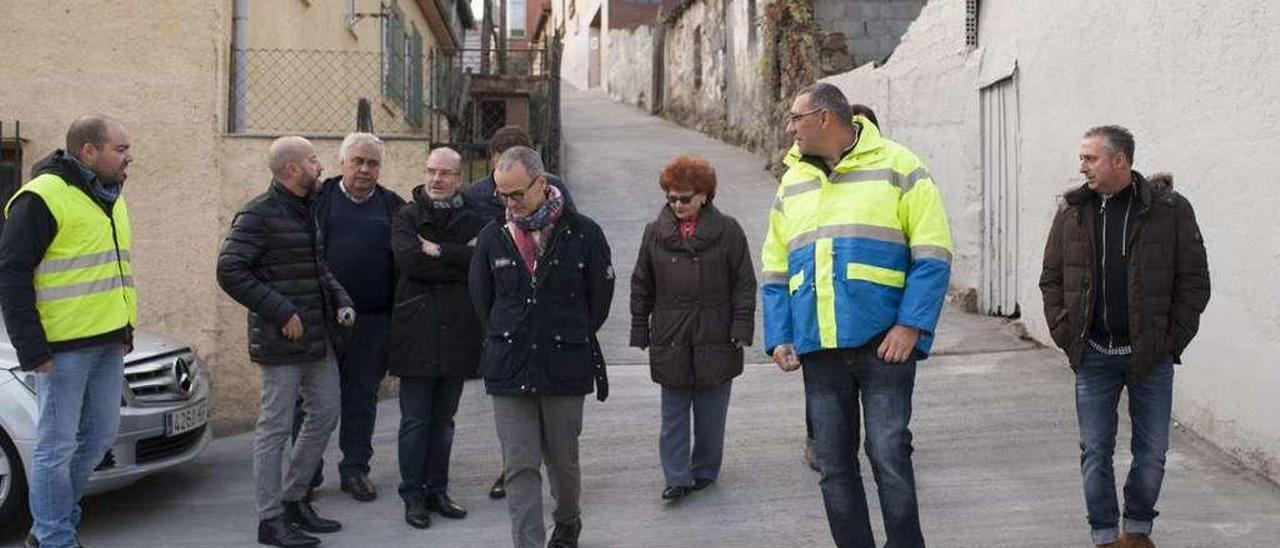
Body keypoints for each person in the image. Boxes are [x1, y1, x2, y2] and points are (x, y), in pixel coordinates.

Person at [761, 83, 952, 548]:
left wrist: (911, 325)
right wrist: (779, 334)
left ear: (824, 118)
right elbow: (775, 265)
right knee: (832, 464)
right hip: (818, 344)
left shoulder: (899, 165)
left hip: (884, 342)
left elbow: (933, 252)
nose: (789, 128)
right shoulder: (793, 181)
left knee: (888, 453)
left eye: (795, 118)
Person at [1039, 126, 1210, 548]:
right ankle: (1103, 536)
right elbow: (1052, 278)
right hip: (1093, 353)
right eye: (1081, 158)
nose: (1081, 167)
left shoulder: (1170, 210)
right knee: (1095, 451)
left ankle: (1136, 531)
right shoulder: (1072, 211)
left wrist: (1170, 342)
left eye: (1090, 158)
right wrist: (1065, 332)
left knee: (1152, 453)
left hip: (1149, 356)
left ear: (1120, 161)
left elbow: (1194, 282)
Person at [0, 116, 136, 548]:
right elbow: (12, 273)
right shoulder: (42, 198)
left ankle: (49, 525)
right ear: (89, 152)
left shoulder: (110, 197)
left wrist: (124, 326)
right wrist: (31, 347)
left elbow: (114, 272)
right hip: (60, 351)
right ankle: (56, 535)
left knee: (99, 439)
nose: (128, 156)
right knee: (55, 447)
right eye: (120, 149)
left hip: (108, 342)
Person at [469, 146, 614, 548]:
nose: (510, 203)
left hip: (564, 365)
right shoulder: (492, 237)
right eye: (502, 194)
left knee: (563, 462)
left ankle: (567, 523)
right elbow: (482, 300)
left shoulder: (584, 233)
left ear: (541, 183)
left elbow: (598, 301)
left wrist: (566, 333)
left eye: (516, 193)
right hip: (509, 366)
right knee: (519, 465)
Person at [217, 136, 356, 548]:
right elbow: (230, 270)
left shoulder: (305, 209)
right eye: (313, 160)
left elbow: (317, 268)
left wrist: (342, 300)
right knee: (274, 428)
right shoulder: (258, 214)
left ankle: (294, 498)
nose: (321, 166)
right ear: (292, 169)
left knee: (326, 413)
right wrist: (281, 311)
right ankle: (270, 518)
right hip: (282, 342)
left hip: (318, 338)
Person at [629, 155, 756, 501]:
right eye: (672, 198)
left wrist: (741, 326)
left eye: (686, 198)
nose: (678, 204)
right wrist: (640, 328)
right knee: (672, 414)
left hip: (716, 333)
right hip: (670, 335)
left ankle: (704, 470)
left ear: (704, 195)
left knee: (711, 413)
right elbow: (642, 282)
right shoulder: (654, 234)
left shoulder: (729, 231)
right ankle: (676, 477)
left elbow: (744, 283)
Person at [464, 125, 575, 499]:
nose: (508, 198)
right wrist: (497, 320)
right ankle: (512, 468)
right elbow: (478, 279)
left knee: (554, 422)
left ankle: (560, 492)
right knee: (513, 415)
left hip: (551, 324)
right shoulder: (478, 195)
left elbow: (580, 261)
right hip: (506, 316)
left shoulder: (558, 192)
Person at [389, 147, 486, 529]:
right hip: (417, 330)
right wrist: (459, 258)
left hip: (459, 331)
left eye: (445, 173)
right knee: (415, 421)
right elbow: (410, 263)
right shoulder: (406, 216)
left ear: (459, 178)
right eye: (431, 171)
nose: (436, 179)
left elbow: (481, 265)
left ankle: (437, 491)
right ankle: (413, 496)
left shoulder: (474, 217)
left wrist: (440, 251)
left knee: (444, 420)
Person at [306, 132, 405, 502]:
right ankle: (307, 473)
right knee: (314, 399)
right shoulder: (317, 199)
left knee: (362, 398)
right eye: (358, 161)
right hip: (322, 320)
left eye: (373, 163)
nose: (365, 169)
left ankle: (355, 470)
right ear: (342, 162)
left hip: (373, 322)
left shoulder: (393, 206)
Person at [802, 104, 881, 473]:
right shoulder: (803, 176)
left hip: (873, 323)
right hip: (819, 319)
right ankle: (819, 437)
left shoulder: (887, 175)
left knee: (883, 426)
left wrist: (910, 325)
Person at [465, 125, 575, 226]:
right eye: (504, 164)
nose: (511, 203)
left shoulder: (553, 188)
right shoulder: (475, 196)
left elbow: (576, 230)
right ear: (493, 159)